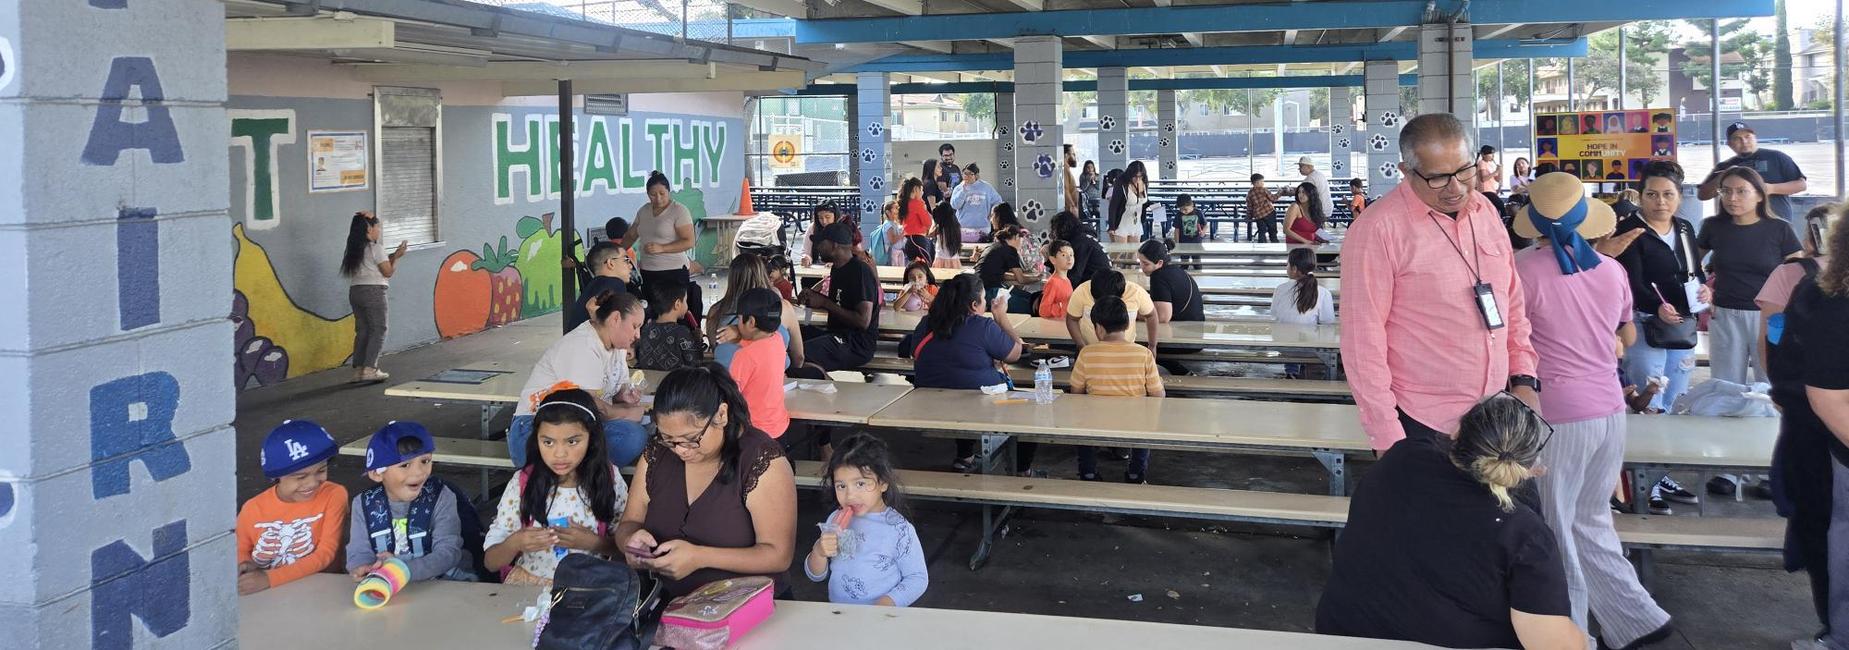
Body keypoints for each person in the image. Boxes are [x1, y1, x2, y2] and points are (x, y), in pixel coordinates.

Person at [1511, 173, 1675, 648]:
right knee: (1592, 518)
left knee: (1557, 529)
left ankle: (1573, 634)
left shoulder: (1520, 271)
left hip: (1555, 413)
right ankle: (1638, 619)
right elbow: (1626, 336)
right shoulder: (1609, 270)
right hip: (1608, 409)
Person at [1340, 112, 1539, 454]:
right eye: (1438, 178)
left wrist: (1524, 379)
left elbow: (1512, 302)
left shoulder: (1485, 212)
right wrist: (1387, 436)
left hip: (1498, 414)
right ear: (1406, 171)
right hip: (1423, 423)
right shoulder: (1378, 230)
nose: (1456, 187)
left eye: (1464, 171)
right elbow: (1363, 341)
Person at [1316, 394, 1583, 648]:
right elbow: (1556, 645)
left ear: (1457, 432)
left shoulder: (1401, 457)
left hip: (1342, 633)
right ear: (1531, 470)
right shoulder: (1524, 533)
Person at [615, 365, 798, 598]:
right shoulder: (656, 455)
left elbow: (778, 555)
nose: (680, 450)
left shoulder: (761, 460)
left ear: (721, 415)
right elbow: (629, 523)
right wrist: (630, 542)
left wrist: (699, 557)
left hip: (745, 604)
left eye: (691, 439)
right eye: (668, 439)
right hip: (666, 603)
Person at [1769, 205, 1849, 650]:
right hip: (1820, 434)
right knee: (1828, 533)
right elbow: (1824, 396)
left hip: (1815, 430)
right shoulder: (1823, 296)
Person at [484, 387, 627, 586]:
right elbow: (491, 562)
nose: (559, 454)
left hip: (590, 590)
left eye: (572, 441)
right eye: (548, 442)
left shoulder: (609, 480)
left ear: (592, 438)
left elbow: (627, 549)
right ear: (537, 440)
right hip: (528, 591)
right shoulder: (523, 483)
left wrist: (594, 543)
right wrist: (515, 543)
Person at [509, 290, 649, 467]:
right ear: (615, 319)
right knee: (631, 435)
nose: (638, 335)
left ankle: (580, 476)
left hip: (576, 427)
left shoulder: (617, 348)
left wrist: (623, 396)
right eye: (635, 326)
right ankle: (583, 478)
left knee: (639, 433)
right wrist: (627, 413)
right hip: (534, 429)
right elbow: (587, 406)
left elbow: (614, 389)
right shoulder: (583, 345)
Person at [904, 275, 1029, 472]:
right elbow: (1016, 353)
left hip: (929, 404)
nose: (986, 303)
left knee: (959, 386)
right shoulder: (984, 326)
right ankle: (1023, 470)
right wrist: (1001, 317)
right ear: (974, 305)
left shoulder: (927, 323)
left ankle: (965, 457)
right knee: (1032, 411)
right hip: (980, 405)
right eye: (984, 299)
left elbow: (919, 352)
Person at [1614, 161, 1708, 423]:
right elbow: (1631, 282)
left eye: (1668, 194)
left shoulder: (1685, 228)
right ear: (1640, 196)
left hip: (1681, 325)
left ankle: (1671, 446)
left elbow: (1694, 270)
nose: (1660, 202)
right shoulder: (1629, 230)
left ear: (1679, 197)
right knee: (1647, 400)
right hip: (1643, 322)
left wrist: (1704, 290)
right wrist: (1656, 306)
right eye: (1652, 194)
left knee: (1677, 397)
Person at [1697, 167, 1802, 385]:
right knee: (1725, 384)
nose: (1732, 198)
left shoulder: (1780, 229)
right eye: (1726, 191)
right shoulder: (1713, 227)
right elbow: (1690, 263)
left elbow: (1798, 275)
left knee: (1771, 382)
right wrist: (1702, 292)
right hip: (1725, 314)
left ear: (1760, 195)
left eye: (1741, 191)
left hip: (1769, 316)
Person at [345, 421, 483, 584]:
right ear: (377, 473)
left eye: (425, 461)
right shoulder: (363, 504)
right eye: (405, 465)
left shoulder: (442, 497)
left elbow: (448, 553)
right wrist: (363, 568)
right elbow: (359, 552)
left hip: (445, 583)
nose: (419, 473)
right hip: (387, 586)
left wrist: (401, 571)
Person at [804, 434, 929, 607]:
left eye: (860, 484)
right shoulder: (834, 520)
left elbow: (917, 578)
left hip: (881, 617)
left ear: (883, 483)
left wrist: (888, 602)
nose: (850, 495)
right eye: (841, 486)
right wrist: (819, 552)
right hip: (839, 614)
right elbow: (815, 575)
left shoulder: (899, 530)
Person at [237, 420, 347, 595]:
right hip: (263, 593)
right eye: (300, 477)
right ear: (277, 476)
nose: (312, 483)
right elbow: (240, 549)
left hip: (321, 589)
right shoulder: (252, 508)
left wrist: (270, 579)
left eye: (321, 470)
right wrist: (244, 565)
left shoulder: (334, 494)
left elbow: (326, 553)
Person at [1070, 295, 1166, 484]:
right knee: (1146, 424)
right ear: (1128, 324)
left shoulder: (1087, 353)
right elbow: (1157, 396)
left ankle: (1088, 472)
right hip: (1135, 423)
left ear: (1098, 328)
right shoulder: (1144, 354)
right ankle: (1136, 473)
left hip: (1095, 423)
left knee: (1081, 420)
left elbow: (1076, 393)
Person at [798, 222, 881, 374]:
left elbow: (863, 321)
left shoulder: (860, 271)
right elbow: (837, 304)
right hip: (836, 334)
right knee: (793, 336)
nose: (817, 247)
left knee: (799, 354)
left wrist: (824, 302)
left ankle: (822, 381)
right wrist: (815, 298)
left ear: (834, 245)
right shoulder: (837, 268)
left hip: (856, 344)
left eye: (821, 243)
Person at [623, 171, 702, 325]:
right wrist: (617, 251)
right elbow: (631, 235)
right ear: (647, 194)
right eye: (653, 195)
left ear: (669, 191)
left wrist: (662, 248)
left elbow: (689, 241)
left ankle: (683, 337)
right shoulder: (644, 211)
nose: (658, 198)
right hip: (648, 272)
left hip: (674, 272)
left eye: (662, 194)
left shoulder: (679, 210)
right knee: (652, 313)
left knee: (676, 314)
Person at [715, 288, 792, 441]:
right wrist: (739, 334)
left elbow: (731, 395)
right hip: (778, 425)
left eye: (738, 319)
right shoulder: (777, 340)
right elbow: (758, 345)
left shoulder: (744, 356)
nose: (737, 324)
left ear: (751, 322)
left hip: (751, 431)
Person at [339, 211, 406, 383]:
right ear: (369, 229)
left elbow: (374, 265)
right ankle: (370, 369)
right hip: (374, 292)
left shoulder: (354, 250)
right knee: (379, 329)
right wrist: (397, 258)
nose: (379, 230)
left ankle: (359, 370)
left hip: (356, 292)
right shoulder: (376, 248)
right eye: (377, 227)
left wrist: (392, 256)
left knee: (363, 330)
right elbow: (387, 272)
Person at [707, 253, 802, 370]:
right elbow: (799, 358)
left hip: (724, 378)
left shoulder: (716, 311)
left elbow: (715, 348)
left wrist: (738, 335)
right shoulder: (782, 308)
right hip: (771, 377)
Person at [1698, 121, 1808, 222]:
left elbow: (1801, 185)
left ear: (1755, 138)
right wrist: (1722, 177)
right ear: (1730, 144)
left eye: (1748, 137)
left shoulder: (1776, 157)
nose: (1744, 142)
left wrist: (1770, 188)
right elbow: (1702, 195)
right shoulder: (1724, 166)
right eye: (1737, 138)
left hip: (1776, 223)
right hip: (1737, 226)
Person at [1066, 268, 1158, 350]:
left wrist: (1152, 346)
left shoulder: (1136, 292)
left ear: (1121, 296)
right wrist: (1081, 346)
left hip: (1125, 350)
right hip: (1090, 348)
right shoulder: (1082, 290)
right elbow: (1072, 319)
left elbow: (1151, 315)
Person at [564, 241, 634, 332]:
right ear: (610, 263)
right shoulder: (615, 284)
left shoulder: (593, 286)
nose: (630, 266)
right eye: (625, 259)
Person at [636, 281, 705, 371]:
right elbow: (695, 363)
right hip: (675, 379)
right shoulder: (682, 332)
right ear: (677, 304)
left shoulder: (646, 329)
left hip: (649, 378)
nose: (687, 305)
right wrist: (698, 341)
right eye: (685, 301)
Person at [977, 225, 1042, 306]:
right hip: (989, 291)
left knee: (1029, 297)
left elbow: (1000, 274)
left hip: (977, 288)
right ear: (1017, 237)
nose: (1021, 246)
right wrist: (1037, 278)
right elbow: (1021, 279)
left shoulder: (994, 246)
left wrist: (1031, 277)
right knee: (1030, 305)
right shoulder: (1010, 250)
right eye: (1022, 242)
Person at [1052, 209, 1110, 287]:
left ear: (1062, 229)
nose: (1053, 234)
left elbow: (1074, 276)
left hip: (1099, 286)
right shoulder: (1082, 237)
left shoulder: (1080, 243)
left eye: (1054, 230)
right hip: (1101, 281)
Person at [950, 163, 1004, 240]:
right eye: (965, 173)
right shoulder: (959, 188)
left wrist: (992, 214)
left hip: (983, 227)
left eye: (970, 174)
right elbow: (954, 205)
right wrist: (963, 191)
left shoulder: (986, 187)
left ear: (976, 175)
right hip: (964, 228)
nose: (967, 176)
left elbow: (998, 202)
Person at [1108, 161, 1149, 242]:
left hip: (1136, 222)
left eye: (1140, 176)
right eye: (1135, 176)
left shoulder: (1144, 183)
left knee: (1135, 249)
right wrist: (1111, 226)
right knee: (1120, 249)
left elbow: (1143, 201)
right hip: (1121, 222)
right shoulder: (1122, 184)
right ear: (1130, 174)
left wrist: (1153, 205)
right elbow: (1113, 206)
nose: (1137, 179)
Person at [898, 178, 934, 265]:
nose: (922, 192)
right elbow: (928, 222)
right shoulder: (917, 204)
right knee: (925, 266)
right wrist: (924, 207)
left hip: (909, 240)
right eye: (921, 189)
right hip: (917, 240)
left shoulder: (906, 203)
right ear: (915, 189)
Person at [1040, 239, 1077, 320]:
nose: (1069, 258)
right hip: (1056, 324)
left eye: (1071, 255)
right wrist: (1064, 305)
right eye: (1063, 255)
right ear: (1053, 260)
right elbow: (1043, 310)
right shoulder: (1053, 282)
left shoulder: (1067, 280)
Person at [1283, 182, 1327, 246]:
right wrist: (1306, 241)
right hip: (1295, 245)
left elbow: (1316, 230)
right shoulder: (1295, 207)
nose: (1300, 195)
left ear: (1311, 194)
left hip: (1311, 245)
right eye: (1299, 192)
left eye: (1304, 192)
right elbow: (1286, 230)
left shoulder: (1315, 209)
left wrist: (1324, 238)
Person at [1297, 156, 1334, 228]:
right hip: (1327, 208)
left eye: (1301, 166)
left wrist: (1287, 191)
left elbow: (1302, 192)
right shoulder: (1319, 174)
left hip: (1319, 210)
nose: (1299, 169)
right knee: (1318, 229)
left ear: (1308, 166)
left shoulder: (1310, 178)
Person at [930, 200, 964, 270]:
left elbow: (930, 234)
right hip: (954, 259)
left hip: (940, 258)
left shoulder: (940, 228)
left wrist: (934, 223)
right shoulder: (956, 227)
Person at [869, 199, 904, 267]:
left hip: (896, 254)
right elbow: (892, 240)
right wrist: (902, 234)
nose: (898, 210)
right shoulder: (888, 225)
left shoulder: (893, 224)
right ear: (888, 212)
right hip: (891, 256)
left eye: (898, 208)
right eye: (895, 208)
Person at [1476, 145, 1507, 220]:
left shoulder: (1490, 164)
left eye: (1493, 153)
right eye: (1490, 153)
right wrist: (1496, 171)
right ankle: (1504, 220)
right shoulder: (1482, 163)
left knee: (1495, 208)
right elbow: (1483, 179)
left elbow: (1498, 179)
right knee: (1500, 205)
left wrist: (1500, 171)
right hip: (1485, 190)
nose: (1492, 156)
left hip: (1491, 190)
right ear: (1483, 154)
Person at [1247, 173, 1280, 243]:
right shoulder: (1264, 190)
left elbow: (1249, 207)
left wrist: (1249, 216)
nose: (1263, 183)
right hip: (1269, 212)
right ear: (1256, 183)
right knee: (1272, 230)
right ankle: (1275, 243)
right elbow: (1273, 198)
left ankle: (1262, 245)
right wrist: (1280, 193)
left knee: (1261, 231)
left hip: (1258, 215)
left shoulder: (1250, 193)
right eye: (1262, 181)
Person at [1063, 144, 1083, 215]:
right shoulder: (1064, 169)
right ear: (1066, 155)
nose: (1075, 157)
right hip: (1069, 210)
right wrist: (1072, 207)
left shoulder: (1067, 169)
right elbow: (1065, 190)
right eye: (1073, 154)